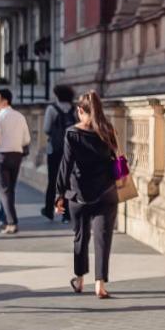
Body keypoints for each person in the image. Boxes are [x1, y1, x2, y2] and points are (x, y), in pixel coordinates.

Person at [54, 90, 120, 299]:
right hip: (107, 192)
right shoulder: (107, 130)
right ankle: (100, 284)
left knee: (81, 237)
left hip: (78, 194)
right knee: (103, 238)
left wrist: (59, 195)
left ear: (80, 110)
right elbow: (116, 158)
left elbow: (65, 165)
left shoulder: (72, 133)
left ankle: (80, 279)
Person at [0, 88, 31, 234]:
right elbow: (26, 139)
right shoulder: (20, 116)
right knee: (10, 190)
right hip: (17, 155)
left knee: (4, 191)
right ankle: (7, 220)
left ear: (4, 101)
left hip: (0, 156)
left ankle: (12, 222)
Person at [42, 84, 75, 222]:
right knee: (67, 181)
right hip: (70, 150)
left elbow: (46, 128)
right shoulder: (74, 109)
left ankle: (49, 210)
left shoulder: (52, 109)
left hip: (54, 149)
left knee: (53, 181)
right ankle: (66, 214)